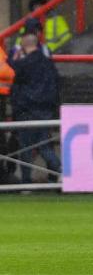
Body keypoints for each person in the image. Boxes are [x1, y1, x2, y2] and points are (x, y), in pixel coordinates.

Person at [9, 34, 61, 184]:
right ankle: (60, 171)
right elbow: (56, 84)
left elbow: (13, 74)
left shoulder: (23, 64)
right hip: (45, 109)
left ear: (23, 46)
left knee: (26, 147)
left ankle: (26, 182)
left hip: (26, 110)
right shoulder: (48, 63)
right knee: (43, 145)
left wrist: (14, 58)